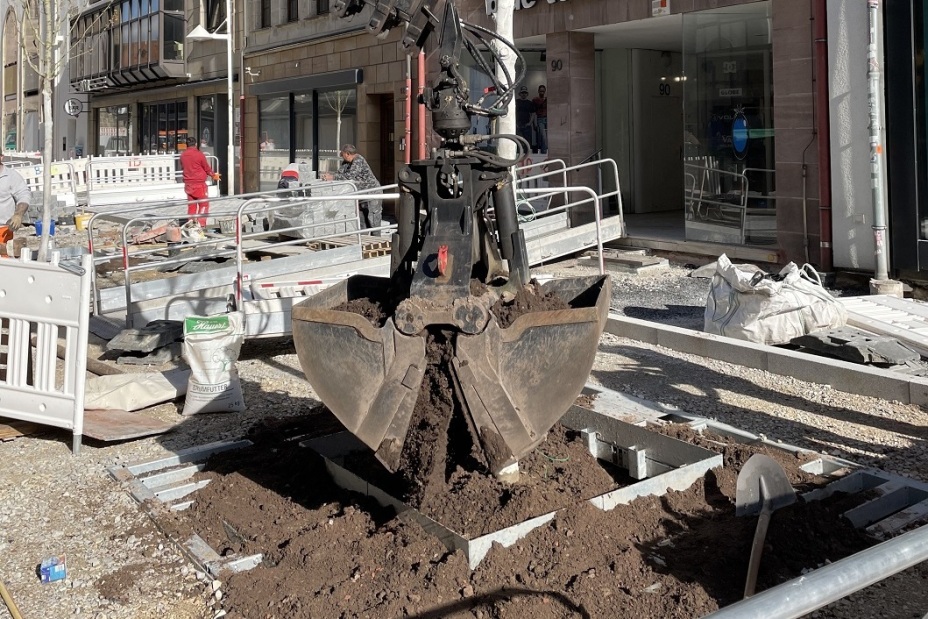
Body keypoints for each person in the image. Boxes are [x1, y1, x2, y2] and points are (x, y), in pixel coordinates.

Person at [322, 144, 382, 235]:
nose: (342, 156)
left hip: (372, 193)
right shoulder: (347, 162)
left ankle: (377, 242)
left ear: (347, 154)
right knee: (362, 222)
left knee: (373, 220)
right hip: (361, 195)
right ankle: (364, 242)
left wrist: (333, 177)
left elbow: (350, 177)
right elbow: (340, 173)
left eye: (342, 154)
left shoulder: (358, 160)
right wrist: (330, 176)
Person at [179, 136, 220, 227]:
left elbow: (183, 167)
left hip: (188, 184)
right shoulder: (199, 154)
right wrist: (214, 175)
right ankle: (201, 224)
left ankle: (191, 224)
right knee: (204, 204)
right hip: (199, 184)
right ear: (196, 144)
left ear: (186, 145)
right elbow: (206, 168)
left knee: (191, 206)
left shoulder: (183, 155)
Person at [0, 158, 31, 233]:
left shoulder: (11, 176)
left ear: (1, 157)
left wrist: (18, 215)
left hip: (4, 230)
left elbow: (23, 196)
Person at [515, 85, 536, 152]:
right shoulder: (516, 102)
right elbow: (512, 112)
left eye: (525, 93)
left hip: (526, 125)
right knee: (518, 142)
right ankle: (518, 156)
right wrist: (515, 123)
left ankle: (528, 155)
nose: (523, 94)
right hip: (518, 125)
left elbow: (533, 113)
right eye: (522, 93)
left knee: (528, 142)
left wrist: (529, 123)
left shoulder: (530, 103)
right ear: (520, 94)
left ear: (527, 94)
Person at [532, 84, 548, 154]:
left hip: (547, 118)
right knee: (542, 136)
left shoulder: (547, 99)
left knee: (547, 136)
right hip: (540, 119)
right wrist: (534, 123)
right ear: (538, 91)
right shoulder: (535, 100)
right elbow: (533, 111)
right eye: (541, 91)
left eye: (543, 91)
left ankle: (545, 151)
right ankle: (543, 152)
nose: (542, 92)